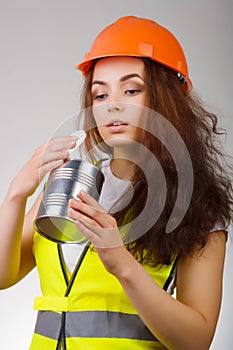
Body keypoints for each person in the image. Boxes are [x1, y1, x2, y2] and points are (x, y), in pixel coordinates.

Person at [0, 15, 232, 350]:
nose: (113, 106)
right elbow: (5, 276)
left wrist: (121, 262)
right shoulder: (72, 183)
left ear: (167, 99)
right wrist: (15, 196)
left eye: (132, 89)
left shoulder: (197, 205)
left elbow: (196, 341)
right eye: (100, 94)